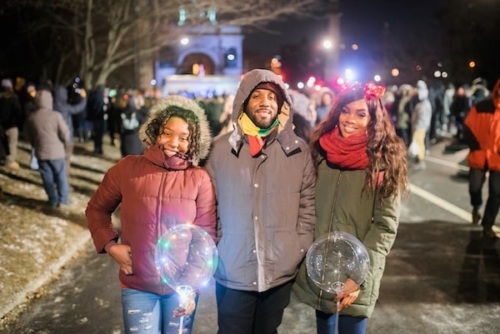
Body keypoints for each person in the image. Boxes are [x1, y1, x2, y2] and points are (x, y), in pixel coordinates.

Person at [85, 95, 216, 334]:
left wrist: (189, 287)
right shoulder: (127, 169)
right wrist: (111, 246)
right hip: (138, 287)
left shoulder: (199, 179)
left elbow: (205, 238)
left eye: (184, 137)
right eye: (167, 132)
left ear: (194, 141)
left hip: (180, 289)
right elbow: (96, 209)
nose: (174, 142)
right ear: (155, 131)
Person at [205, 69, 316, 334]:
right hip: (232, 270)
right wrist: (220, 246)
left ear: (281, 106)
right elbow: (208, 207)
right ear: (243, 102)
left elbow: (307, 206)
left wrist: (297, 247)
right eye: (256, 96)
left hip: (278, 269)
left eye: (271, 97)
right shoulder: (220, 150)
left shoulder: (298, 151)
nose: (265, 102)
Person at [293, 83, 409, 334]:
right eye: (345, 111)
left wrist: (358, 275)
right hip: (323, 268)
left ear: (373, 119)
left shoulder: (382, 161)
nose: (350, 120)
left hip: (358, 273)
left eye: (360, 114)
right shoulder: (320, 153)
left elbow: (385, 226)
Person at [463, 79, 500, 238]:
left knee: (497, 193)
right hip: (479, 155)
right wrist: (475, 146)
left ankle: (488, 225)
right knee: (474, 187)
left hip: (498, 159)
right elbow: (468, 127)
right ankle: (476, 207)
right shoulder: (480, 106)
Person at [24, 89, 71, 208]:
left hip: (41, 153)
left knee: (47, 178)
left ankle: (52, 199)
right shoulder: (55, 116)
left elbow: (28, 136)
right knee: (61, 177)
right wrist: (65, 143)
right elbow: (65, 134)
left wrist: (35, 144)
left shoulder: (32, 118)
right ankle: (63, 200)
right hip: (57, 153)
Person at [53, 85, 87, 175]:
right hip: (67, 137)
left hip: (55, 138)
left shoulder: (51, 107)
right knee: (66, 159)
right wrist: (84, 98)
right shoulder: (65, 107)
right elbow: (78, 108)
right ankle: (63, 179)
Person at [0, 78, 22, 170]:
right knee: (12, 144)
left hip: (1, 125)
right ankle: (9, 161)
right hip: (12, 125)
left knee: (2, 143)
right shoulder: (14, 98)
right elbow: (18, 112)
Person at [410, 80, 432, 170]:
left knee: (419, 143)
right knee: (418, 143)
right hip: (419, 127)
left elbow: (422, 118)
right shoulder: (422, 103)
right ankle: (418, 160)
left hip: (419, 127)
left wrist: (416, 127)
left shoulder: (424, 104)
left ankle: (420, 161)